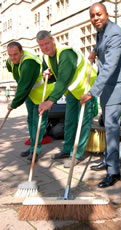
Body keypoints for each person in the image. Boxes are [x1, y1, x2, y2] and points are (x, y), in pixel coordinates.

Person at [80, 3, 121, 188]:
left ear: (107, 14)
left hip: (117, 86)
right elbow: (102, 47)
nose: (96, 18)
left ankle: (113, 172)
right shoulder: (101, 30)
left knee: (111, 128)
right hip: (108, 87)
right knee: (107, 124)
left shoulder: (116, 35)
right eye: (93, 16)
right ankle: (108, 159)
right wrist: (95, 51)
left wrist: (91, 92)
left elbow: (110, 67)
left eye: (99, 14)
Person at [37, 30, 97, 168]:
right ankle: (67, 150)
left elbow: (63, 79)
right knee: (70, 121)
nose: (45, 47)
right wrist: (46, 73)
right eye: (41, 45)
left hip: (87, 89)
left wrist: (50, 101)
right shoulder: (46, 57)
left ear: (53, 40)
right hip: (72, 91)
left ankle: (77, 154)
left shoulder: (66, 53)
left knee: (83, 122)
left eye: (47, 43)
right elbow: (51, 75)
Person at [6, 42, 54, 163]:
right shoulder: (10, 61)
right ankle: (32, 146)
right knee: (31, 120)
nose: (13, 58)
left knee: (38, 122)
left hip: (41, 93)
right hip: (30, 94)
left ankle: (35, 151)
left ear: (21, 52)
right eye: (10, 55)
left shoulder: (29, 63)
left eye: (15, 55)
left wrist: (14, 104)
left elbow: (24, 86)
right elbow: (18, 75)